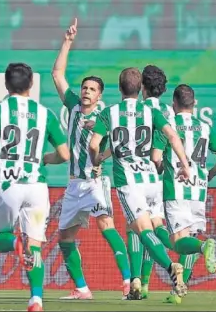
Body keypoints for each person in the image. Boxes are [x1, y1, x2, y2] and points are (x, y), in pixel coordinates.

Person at [0, 62, 70, 312]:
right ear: (31, 84)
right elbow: (64, 154)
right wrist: (46, 159)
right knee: (35, 246)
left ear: (6, 84)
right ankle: (36, 299)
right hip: (37, 188)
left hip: (8, 185)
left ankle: (16, 243)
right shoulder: (44, 113)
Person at [89, 67, 191, 300]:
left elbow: (95, 145)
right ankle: (141, 279)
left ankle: (170, 268)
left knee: (142, 230)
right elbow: (173, 136)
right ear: (140, 88)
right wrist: (184, 164)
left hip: (129, 181)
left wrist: (96, 160)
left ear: (119, 88)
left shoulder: (110, 113)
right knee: (156, 225)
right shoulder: (150, 111)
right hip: (151, 179)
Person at [52, 18, 131, 300]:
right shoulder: (73, 106)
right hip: (74, 186)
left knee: (106, 227)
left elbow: (118, 145)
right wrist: (68, 41)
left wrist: (101, 156)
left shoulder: (106, 116)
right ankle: (82, 289)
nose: (86, 91)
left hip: (95, 183)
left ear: (100, 96)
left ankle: (127, 282)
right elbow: (57, 74)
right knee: (65, 239)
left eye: (92, 89)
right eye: (84, 87)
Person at [152, 83, 216, 304]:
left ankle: (204, 246)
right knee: (188, 240)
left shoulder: (168, 126)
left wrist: (160, 168)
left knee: (180, 242)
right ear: (194, 104)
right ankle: (179, 291)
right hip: (198, 191)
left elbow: (157, 157)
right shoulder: (205, 128)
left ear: (173, 104)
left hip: (176, 189)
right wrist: (209, 175)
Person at [125, 64, 176, 300]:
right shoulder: (169, 111)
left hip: (138, 174)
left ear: (142, 87)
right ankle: (145, 284)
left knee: (136, 228)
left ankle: (136, 280)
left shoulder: (140, 108)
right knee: (157, 226)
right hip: (160, 177)